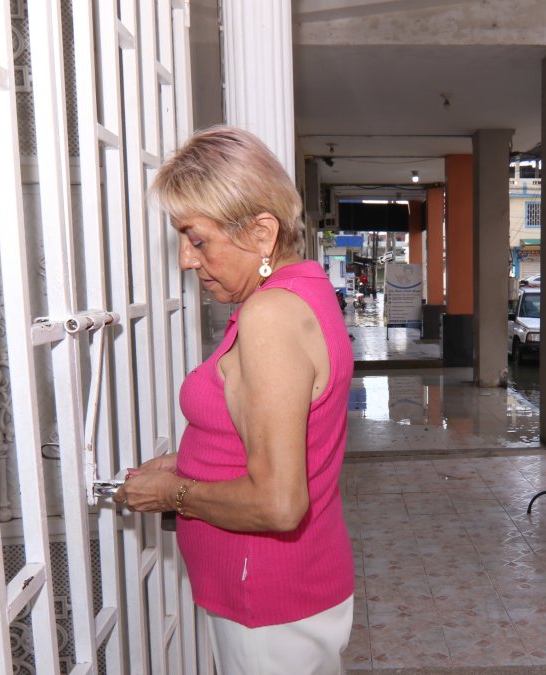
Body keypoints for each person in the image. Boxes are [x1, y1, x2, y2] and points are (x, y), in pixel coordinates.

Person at [114, 126, 354, 674]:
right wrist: (191, 462)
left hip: (267, 600)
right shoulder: (300, 291)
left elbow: (277, 504)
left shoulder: (269, 315)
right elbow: (284, 439)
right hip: (282, 590)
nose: (185, 260)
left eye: (197, 239)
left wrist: (175, 492)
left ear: (262, 232)